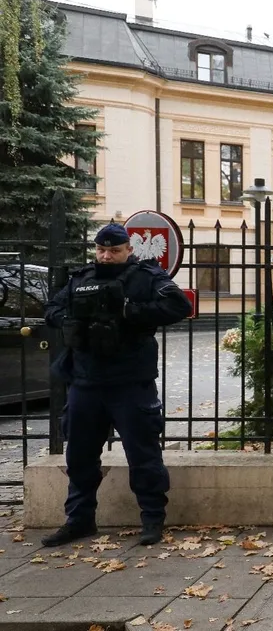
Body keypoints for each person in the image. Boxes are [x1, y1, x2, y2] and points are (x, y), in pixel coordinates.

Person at [42, 223, 191, 547]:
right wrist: (70, 320)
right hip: (86, 381)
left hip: (130, 382)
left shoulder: (146, 277)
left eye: (114, 250)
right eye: (101, 250)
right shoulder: (82, 279)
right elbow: (51, 309)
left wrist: (130, 312)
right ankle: (80, 521)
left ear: (128, 250)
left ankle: (152, 520)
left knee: (143, 456)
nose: (106, 256)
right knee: (79, 457)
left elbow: (179, 306)